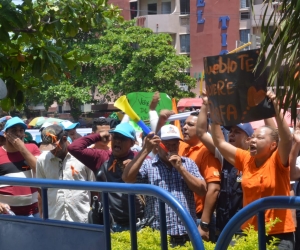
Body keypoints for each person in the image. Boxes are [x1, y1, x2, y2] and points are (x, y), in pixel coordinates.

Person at [210, 91, 295, 249]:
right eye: (253, 137)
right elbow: (219, 142)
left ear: (273, 145)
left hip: (278, 235)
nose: (253, 140)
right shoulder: (245, 158)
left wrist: (275, 106)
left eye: (260, 138)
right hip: (250, 233)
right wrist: (215, 114)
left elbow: (287, 139)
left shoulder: (278, 160)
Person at [122, 124, 207, 247]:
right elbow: (127, 178)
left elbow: (202, 190)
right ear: (158, 145)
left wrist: (181, 169)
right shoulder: (149, 166)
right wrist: (146, 149)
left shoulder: (188, 164)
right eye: (166, 144)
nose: (171, 148)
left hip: (186, 234)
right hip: (158, 235)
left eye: (175, 144)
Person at [68, 122, 144, 231]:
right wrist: (98, 136)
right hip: (110, 224)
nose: (117, 141)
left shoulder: (139, 159)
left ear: (132, 143)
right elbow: (73, 148)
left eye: (122, 138)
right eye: (115, 137)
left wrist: (133, 167)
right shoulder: (102, 157)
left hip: (138, 223)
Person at [196, 94, 253, 238]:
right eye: (231, 131)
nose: (231, 135)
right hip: (223, 227)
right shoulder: (224, 156)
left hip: (245, 229)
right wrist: (205, 106)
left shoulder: (256, 159)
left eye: (237, 132)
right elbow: (201, 133)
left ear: (249, 139)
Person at [36, 125, 95, 222]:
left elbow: (94, 189)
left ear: (64, 139)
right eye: (49, 147)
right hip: (54, 218)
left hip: (81, 218)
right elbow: (41, 191)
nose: (52, 150)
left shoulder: (83, 157)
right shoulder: (42, 160)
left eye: (55, 146)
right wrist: (43, 216)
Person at [0, 117, 40, 216]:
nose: (18, 134)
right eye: (13, 131)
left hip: (33, 211)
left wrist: (22, 148)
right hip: (7, 213)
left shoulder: (32, 148)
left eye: (21, 130)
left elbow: (40, 169)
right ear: (5, 134)